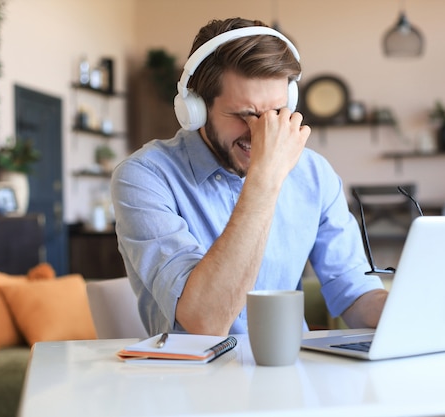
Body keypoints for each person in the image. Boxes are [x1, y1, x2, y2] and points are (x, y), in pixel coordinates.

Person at [111, 17, 388, 337]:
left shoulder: (314, 174)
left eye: (276, 112)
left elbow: (354, 292)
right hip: (193, 380)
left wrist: (409, 309)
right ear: (195, 110)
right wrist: (265, 177)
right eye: (246, 114)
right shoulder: (144, 177)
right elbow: (205, 321)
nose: (264, 133)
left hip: (291, 370)